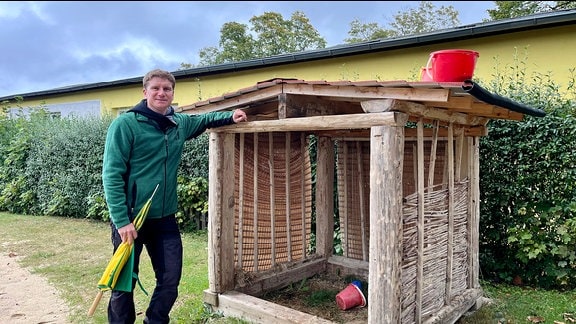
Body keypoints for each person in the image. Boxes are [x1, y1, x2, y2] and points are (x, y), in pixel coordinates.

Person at [102, 68, 247, 324]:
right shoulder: (125, 124)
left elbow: (204, 119)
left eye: (167, 89)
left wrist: (231, 116)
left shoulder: (178, 123)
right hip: (131, 219)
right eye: (156, 88)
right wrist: (122, 220)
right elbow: (111, 175)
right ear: (144, 91)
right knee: (123, 283)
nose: (161, 93)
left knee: (170, 280)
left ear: (172, 93)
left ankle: (155, 321)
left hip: (164, 219)